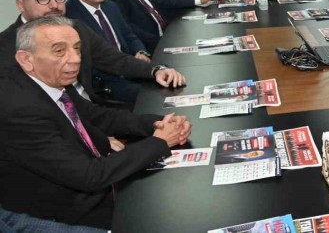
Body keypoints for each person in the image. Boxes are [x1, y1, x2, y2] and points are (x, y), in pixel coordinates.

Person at [0, 17, 192, 230]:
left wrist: (157, 123)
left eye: (77, 48)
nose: (75, 59)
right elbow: (88, 176)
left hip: (98, 186)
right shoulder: (17, 110)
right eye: (59, 51)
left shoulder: (50, 80)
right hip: (66, 214)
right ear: (26, 59)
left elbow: (98, 116)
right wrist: (159, 142)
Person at [0, 0, 186, 106]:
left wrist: (155, 70)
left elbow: (114, 59)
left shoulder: (76, 27)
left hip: (92, 109)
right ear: (20, 5)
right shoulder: (5, 47)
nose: (54, 5)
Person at [66, 0, 150, 104]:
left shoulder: (110, 7)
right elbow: (90, 62)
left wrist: (140, 52)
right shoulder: (70, 17)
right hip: (105, 80)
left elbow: (129, 35)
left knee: (170, 77)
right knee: (153, 96)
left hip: (129, 68)